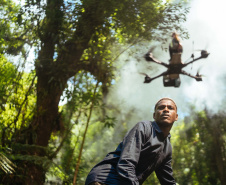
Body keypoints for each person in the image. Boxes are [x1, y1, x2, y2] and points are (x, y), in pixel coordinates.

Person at [85, 98, 178, 185]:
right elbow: (126, 164)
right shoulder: (144, 127)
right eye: (161, 107)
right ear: (154, 115)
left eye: (170, 108)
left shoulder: (167, 148)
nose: (166, 110)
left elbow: (167, 180)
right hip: (105, 179)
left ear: (176, 117)